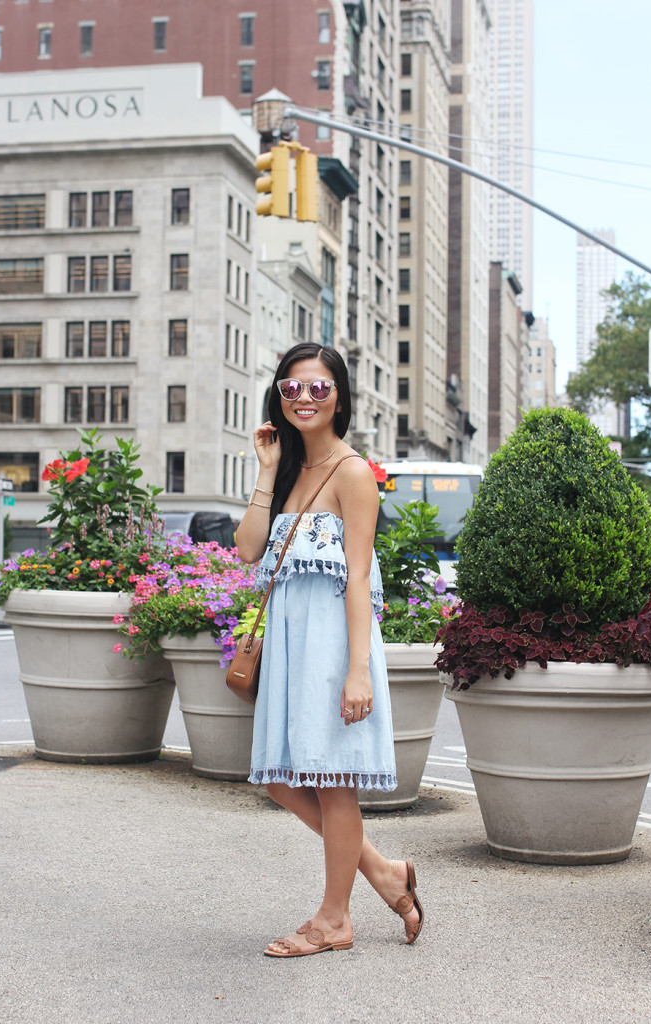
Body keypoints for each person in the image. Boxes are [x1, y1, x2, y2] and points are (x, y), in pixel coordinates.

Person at [236, 342, 424, 958]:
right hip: (291, 649)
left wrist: (358, 672)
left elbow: (360, 579)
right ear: (279, 398)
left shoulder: (352, 473)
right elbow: (247, 549)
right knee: (281, 779)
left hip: (331, 648)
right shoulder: (288, 470)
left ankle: (334, 919)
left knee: (331, 782)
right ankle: (383, 872)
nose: (305, 399)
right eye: (292, 389)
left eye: (319, 388)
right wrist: (266, 472)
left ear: (339, 396)